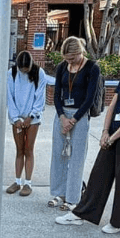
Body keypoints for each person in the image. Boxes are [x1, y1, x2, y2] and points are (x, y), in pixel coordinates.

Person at [56, 38, 120, 231]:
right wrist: (105, 131)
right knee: (99, 174)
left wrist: (114, 137)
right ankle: (83, 213)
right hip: (112, 133)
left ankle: (117, 222)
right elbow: (113, 104)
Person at [48, 36, 101, 211]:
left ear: (80, 52)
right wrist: (62, 117)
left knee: (77, 157)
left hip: (80, 114)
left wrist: (74, 119)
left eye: (72, 58)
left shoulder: (92, 68)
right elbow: (56, 94)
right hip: (63, 113)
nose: (69, 62)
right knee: (59, 155)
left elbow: (90, 97)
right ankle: (59, 193)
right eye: (67, 59)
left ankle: (72, 197)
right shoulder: (63, 67)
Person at [5, 50, 49, 196]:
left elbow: (40, 97)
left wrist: (32, 116)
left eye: (27, 70)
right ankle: (17, 181)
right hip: (17, 117)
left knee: (29, 149)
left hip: (33, 118)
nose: (25, 72)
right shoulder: (11, 73)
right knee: (19, 150)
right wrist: (16, 118)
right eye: (22, 70)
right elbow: (9, 97)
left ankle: (27, 183)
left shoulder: (39, 73)